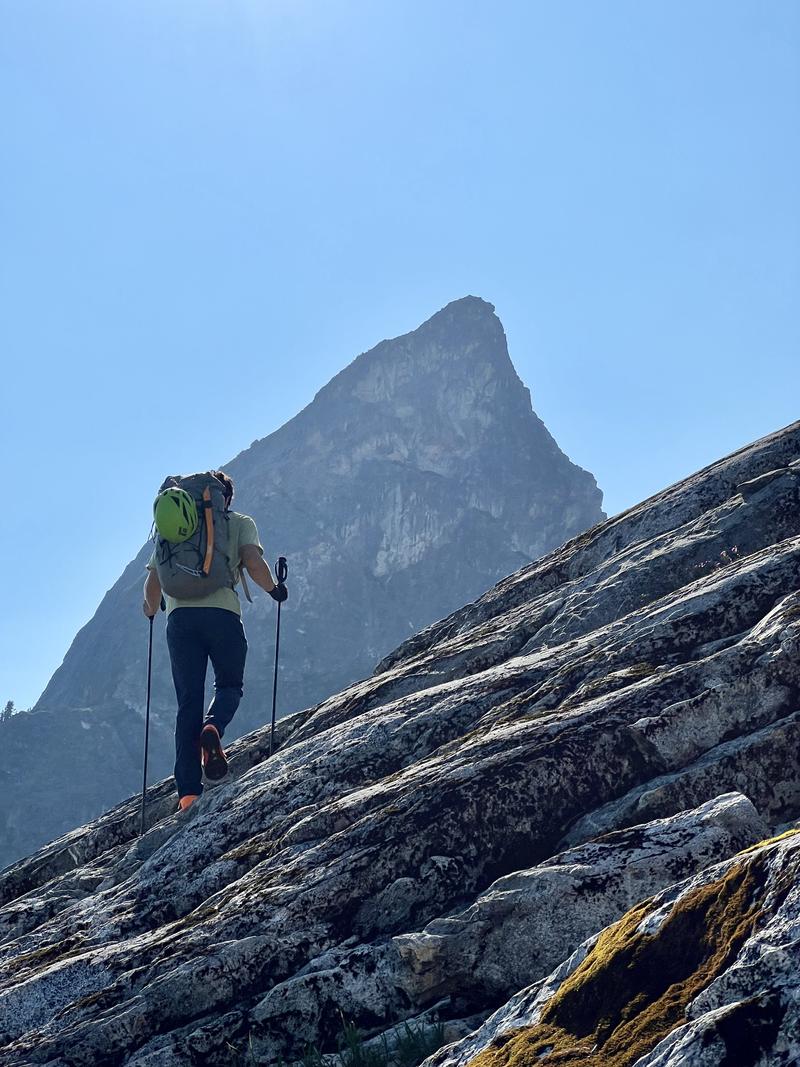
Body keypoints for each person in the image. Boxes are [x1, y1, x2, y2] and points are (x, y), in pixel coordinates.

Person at [143, 470, 287, 811]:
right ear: (224, 498)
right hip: (223, 615)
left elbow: (152, 587)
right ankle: (214, 726)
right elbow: (253, 562)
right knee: (229, 685)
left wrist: (150, 610)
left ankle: (189, 794)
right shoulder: (237, 522)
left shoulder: (175, 530)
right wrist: (275, 590)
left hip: (179, 622)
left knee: (187, 703)